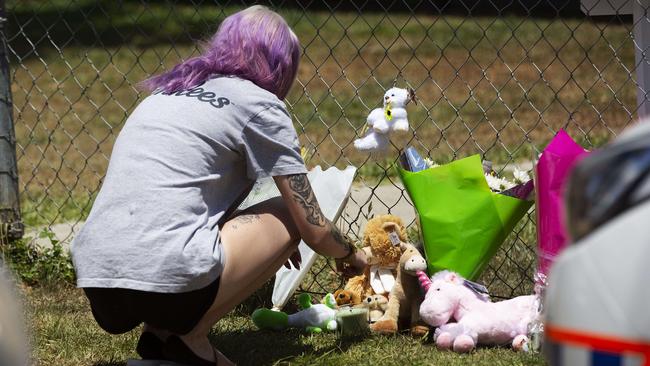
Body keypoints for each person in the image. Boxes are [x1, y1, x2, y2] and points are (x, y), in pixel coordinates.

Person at [70, 6, 367, 366]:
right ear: (281, 67)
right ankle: (187, 337)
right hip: (170, 280)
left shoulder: (167, 92)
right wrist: (352, 255)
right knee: (287, 211)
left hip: (100, 284)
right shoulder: (261, 105)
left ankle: (159, 334)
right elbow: (314, 228)